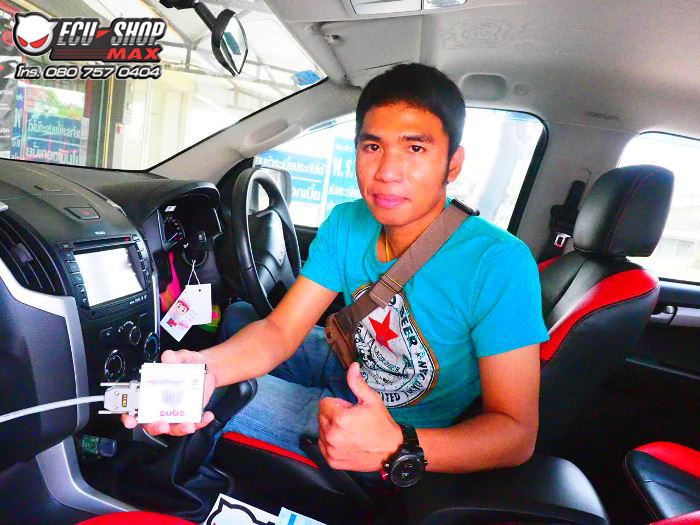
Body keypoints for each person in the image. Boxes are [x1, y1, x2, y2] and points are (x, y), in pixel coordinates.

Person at [123, 63, 549, 477]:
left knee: (222, 398)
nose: (387, 172)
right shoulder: (347, 222)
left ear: (453, 164)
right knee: (236, 322)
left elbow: (516, 435)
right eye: (373, 147)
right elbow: (280, 331)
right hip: (353, 364)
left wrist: (398, 445)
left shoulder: (499, 262)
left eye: (415, 148)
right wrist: (204, 369)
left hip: (391, 429)